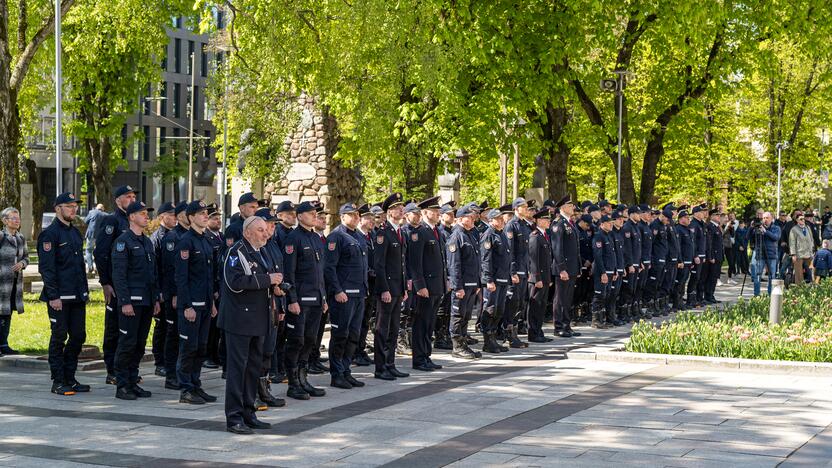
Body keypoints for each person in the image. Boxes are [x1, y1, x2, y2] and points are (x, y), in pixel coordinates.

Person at [220, 216, 279, 435]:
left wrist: (276, 287)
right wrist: (268, 280)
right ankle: (234, 418)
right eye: (260, 230)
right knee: (238, 370)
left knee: (253, 368)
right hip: (239, 320)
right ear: (247, 232)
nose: (266, 234)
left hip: (257, 320)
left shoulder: (259, 251)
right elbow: (234, 283)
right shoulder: (236, 252)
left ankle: (248, 413)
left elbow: (262, 281)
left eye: (266, 230)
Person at [38, 192, 90, 395]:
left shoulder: (75, 233)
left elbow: (79, 266)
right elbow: (47, 268)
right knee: (59, 337)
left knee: (78, 336)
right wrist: (53, 296)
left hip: (77, 295)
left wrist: (84, 292)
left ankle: (70, 376)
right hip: (59, 297)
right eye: (69, 206)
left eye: (75, 206)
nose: (73, 209)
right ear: (57, 208)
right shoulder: (49, 235)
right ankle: (58, 380)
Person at [111, 201, 159, 401]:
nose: (146, 216)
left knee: (139, 344)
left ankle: (132, 381)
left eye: (147, 213)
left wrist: (155, 299)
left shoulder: (147, 241)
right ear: (131, 217)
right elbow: (119, 275)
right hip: (132, 302)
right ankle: (122, 385)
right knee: (127, 343)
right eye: (142, 213)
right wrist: (125, 301)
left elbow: (152, 274)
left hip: (147, 301)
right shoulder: (123, 242)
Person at [282, 201, 328, 398]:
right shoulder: (293, 239)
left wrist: (324, 297)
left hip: (316, 299)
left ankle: (303, 378)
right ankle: (293, 383)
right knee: (296, 341)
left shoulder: (316, 238)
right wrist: (291, 299)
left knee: (310, 340)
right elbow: (289, 273)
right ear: (299, 216)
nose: (314, 216)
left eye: (315, 213)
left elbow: (320, 272)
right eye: (310, 213)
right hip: (300, 300)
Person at [175, 201, 218, 405]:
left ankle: (195, 384)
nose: (205, 216)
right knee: (188, 347)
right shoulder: (186, 241)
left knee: (201, 347)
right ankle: (185, 389)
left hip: (205, 304)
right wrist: (187, 306)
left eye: (206, 214)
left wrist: (212, 303)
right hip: (191, 305)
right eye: (201, 214)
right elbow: (181, 278)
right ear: (191, 217)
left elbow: (210, 276)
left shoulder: (206, 240)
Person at [94, 185, 136, 384]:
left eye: (134, 196)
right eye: (128, 196)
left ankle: (126, 369)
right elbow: (100, 252)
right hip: (115, 284)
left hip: (131, 286)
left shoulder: (132, 220)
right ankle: (111, 369)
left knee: (129, 329)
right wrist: (105, 282)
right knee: (114, 328)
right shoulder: (111, 220)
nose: (132, 199)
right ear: (119, 200)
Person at [324, 203, 369, 388]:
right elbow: (329, 267)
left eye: (357, 214)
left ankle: (346, 370)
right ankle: (337, 374)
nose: (356, 217)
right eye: (351, 214)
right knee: (340, 334)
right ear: (342, 217)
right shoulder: (336, 236)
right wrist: (337, 290)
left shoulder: (358, 235)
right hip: (344, 295)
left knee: (354, 335)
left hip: (359, 293)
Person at [406, 196, 447, 369]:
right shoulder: (419, 232)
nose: (438, 214)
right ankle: (419, 359)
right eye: (434, 211)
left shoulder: (436, 232)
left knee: (430, 323)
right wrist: (419, 285)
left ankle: (426, 355)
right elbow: (415, 263)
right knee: (421, 323)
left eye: (438, 211)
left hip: (437, 286)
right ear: (424, 213)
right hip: (426, 287)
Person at [372, 194, 410, 378]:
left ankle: (390, 362)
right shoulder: (383, 233)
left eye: (402, 207)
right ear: (389, 212)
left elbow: (401, 264)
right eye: (397, 207)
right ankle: (380, 367)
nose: (401, 210)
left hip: (397, 289)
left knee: (394, 328)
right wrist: (384, 289)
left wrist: (403, 288)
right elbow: (379, 265)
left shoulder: (399, 232)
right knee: (382, 329)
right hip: (387, 289)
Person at [159, 201, 189, 390]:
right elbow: (170, 270)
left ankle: (185, 374)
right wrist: (175, 294)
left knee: (186, 337)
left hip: (190, 295)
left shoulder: (193, 236)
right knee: (174, 335)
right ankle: (171, 375)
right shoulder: (172, 237)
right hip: (175, 296)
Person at [446, 204, 482, 358]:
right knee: (458, 315)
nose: (473, 219)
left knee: (466, 315)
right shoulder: (456, 236)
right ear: (460, 219)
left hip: (471, 284)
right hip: (462, 285)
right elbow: (454, 265)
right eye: (469, 216)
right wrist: (457, 286)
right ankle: (457, 346)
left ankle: (464, 343)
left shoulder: (470, 234)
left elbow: (476, 262)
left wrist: (477, 284)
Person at [479, 207, 511, 353]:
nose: (501, 220)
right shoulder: (488, 235)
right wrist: (488, 280)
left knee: (499, 309)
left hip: (503, 278)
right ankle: (487, 340)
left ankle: (493, 337)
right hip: (494, 279)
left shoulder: (501, 234)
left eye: (501, 218)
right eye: (498, 219)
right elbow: (486, 260)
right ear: (491, 220)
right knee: (490, 309)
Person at [149, 202, 175, 377]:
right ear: (161, 217)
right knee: (161, 327)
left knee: (171, 328)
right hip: (161, 291)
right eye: (170, 215)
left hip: (171, 289)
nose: (174, 218)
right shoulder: (156, 238)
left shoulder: (175, 236)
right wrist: (157, 292)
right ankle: (159, 362)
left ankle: (169, 359)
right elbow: (154, 268)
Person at [551, 196, 581, 337]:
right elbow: (557, 248)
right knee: (561, 298)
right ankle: (559, 326)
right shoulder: (558, 224)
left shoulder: (570, 223)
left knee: (568, 298)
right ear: (562, 207)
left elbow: (575, 249)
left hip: (572, 267)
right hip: (563, 268)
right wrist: (562, 268)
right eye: (570, 206)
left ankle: (566, 324)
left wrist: (578, 267)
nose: (572, 208)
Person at [503, 198, 532, 348]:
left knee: (520, 303)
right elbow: (510, 252)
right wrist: (512, 272)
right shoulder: (511, 226)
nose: (527, 209)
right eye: (524, 207)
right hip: (515, 272)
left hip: (523, 270)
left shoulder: (524, 225)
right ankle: (509, 334)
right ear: (516, 208)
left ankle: (514, 332)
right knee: (513, 303)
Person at [0, 207, 27, 356]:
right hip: (1, 283)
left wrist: (22, 264)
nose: (17, 221)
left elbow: (27, 257)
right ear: (5, 221)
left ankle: (4, 344)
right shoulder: (1, 236)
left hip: (14, 284)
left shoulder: (21, 238)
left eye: (18, 218)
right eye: (13, 218)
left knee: (7, 312)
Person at [527, 208, 554, 340]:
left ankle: (538, 330)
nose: (548, 221)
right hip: (537, 277)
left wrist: (547, 277)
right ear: (538, 220)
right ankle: (533, 332)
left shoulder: (544, 235)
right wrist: (536, 277)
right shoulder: (535, 236)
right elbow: (533, 259)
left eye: (549, 219)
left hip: (544, 277)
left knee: (542, 305)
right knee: (535, 305)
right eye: (545, 219)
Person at [591, 215, 616, 328]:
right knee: (599, 295)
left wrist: (614, 270)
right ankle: (596, 321)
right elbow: (598, 256)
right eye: (608, 222)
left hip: (610, 270)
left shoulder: (609, 236)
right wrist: (603, 272)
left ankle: (602, 319)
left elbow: (612, 255)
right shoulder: (598, 236)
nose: (611, 224)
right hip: (602, 271)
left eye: (611, 222)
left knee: (607, 295)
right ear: (601, 224)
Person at [750, 212, 781, 296]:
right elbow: (749, 237)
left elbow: (776, 238)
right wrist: (752, 228)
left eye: (767, 218)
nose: (765, 220)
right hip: (760, 254)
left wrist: (765, 231)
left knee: (772, 276)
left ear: (771, 218)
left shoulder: (776, 228)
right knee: (757, 275)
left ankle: (771, 295)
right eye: (763, 218)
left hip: (771, 255)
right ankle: (756, 295)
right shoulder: (758, 228)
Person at [789, 213, 815, 286]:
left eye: (804, 219)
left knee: (811, 271)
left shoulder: (807, 227)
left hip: (808, 253)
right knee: (799, 273)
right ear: (797, 220)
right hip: (798, 254)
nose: (803, 220)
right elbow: (792, 242)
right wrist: (793, 254)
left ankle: (812, 286)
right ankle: (799, 289)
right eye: (801, 219)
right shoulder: (793, 230)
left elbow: (811, 239)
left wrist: (812, 250)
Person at [83, 203, 106, 273]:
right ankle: (98, 268)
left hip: (91, 235)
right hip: (101, 236)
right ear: (103, 209)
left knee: (89, 251)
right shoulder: (106, 215)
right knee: (99, 252)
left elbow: (85, 221)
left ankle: (90, 268)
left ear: (96, 208)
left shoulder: (92, 212)